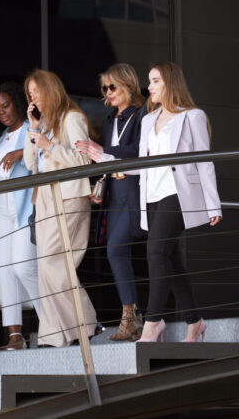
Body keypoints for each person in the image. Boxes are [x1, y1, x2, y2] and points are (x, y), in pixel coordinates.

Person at [134, 62, 222, 343]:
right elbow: (142, 162)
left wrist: (213, 204)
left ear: (170, 83)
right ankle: (195, 323)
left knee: (156, 251)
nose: (150, 86)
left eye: (155, 80)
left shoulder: (192, 117)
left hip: (178, 194)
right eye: (150, 81)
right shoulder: (148, 119)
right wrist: (105, 159)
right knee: (173, 260)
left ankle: (152, 323)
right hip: (152, 195)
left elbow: (204, 161)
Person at [23, 68, 98, 348]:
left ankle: (87, 322)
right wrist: (33, 130)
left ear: (49, 90)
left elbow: (83, 160)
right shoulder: (43, 125)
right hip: (43, 198)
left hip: (68, 196)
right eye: (29, 95)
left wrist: (50, 146)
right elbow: (31, 163)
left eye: (36, 92)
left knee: (56, 263)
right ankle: (54, 334)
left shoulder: (73, 118)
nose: (33, 98)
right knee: (46, 265)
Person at [75, 63, 146, 342]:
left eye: (112, 86)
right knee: (115, 251)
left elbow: (140, 151)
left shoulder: (142, 114)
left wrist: (103, 151)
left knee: (117, 249)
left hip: (133, 189)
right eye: (105, 88)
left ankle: (131, 318)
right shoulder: (109, 120)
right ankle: (134, 317)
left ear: (127, 84)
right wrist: (99, 185)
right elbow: (106, 159)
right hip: (114, 192)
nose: (108, 92)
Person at [0, 82, 42, 350]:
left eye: (6, 105)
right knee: (5, 271)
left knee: (23, 267)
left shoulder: (31, 130)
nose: (2, 112)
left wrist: (22, 151)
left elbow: (41, 157)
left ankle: (53, 323)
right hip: (0, 210)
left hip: (23, 209)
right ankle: (15, 335)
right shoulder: (1, 137)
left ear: (17, 102)